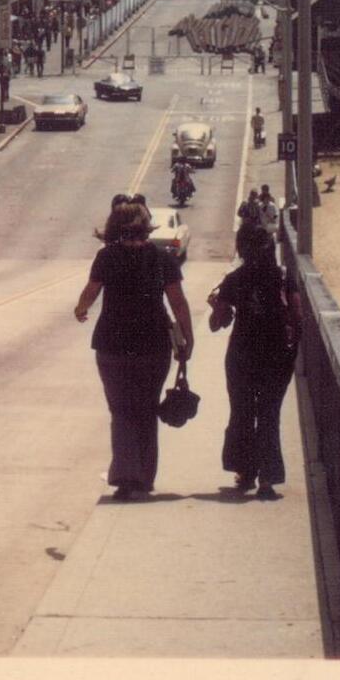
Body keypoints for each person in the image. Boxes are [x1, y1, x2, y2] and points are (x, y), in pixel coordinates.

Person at [73, 201, 195, 501]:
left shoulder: (106, 257)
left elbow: (91, 291)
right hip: (153, 345)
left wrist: (81, 308)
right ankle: (143, 478)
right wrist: (187, 338)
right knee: (146, 411)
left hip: (112, 345)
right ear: (146, 227)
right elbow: (178, 302)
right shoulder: (162, 258)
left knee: (122, 411)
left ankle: (126, 478)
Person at [208, 221, 301, 499]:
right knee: (270, 415)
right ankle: (268, 479)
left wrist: (217, 307)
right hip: (277, 355)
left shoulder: (235, 279)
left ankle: (245, 472)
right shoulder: (284, 277)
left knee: (243, 412)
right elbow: (297, 317)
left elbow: (217, 323)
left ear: (242, 249)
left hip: (242, 354)